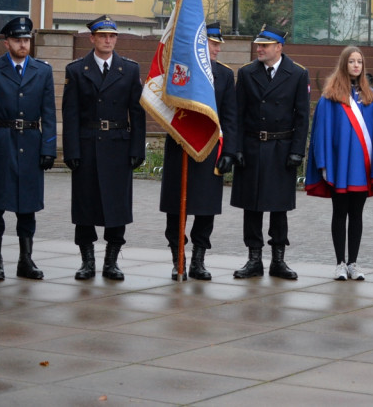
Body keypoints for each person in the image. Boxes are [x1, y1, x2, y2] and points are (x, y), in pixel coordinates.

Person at [63, 16, 146, 281]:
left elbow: (137, 112)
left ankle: (111, 262)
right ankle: (87, 262)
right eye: (102, 36)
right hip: (87, 145)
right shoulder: (76, 70)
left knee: (116, 205)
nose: (108, 41)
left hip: (118, 146)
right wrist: (71, 150)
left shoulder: (129, 70)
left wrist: (137, 148)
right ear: (92, 39)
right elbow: (71, 114)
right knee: (85, 205)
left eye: (112, 36)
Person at [0, 16, 56, 281]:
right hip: (1, 142)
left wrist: (48, 148)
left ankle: (25, 260)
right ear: (6, 42)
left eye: (26, 40)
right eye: (18, 40)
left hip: (31, 143)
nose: (23, 45)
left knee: (27, 206)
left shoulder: (42, 70)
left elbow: (49, 114)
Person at [305, 46, 373, 281]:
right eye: (352, 61)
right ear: (344, 64)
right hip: (339, 167)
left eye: (359, 62)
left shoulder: (371, 97)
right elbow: (321, 133)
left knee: (357, 214)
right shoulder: (330, 97)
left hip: (362, 168)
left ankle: (353, 263)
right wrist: (323, 165)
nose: (356, 65)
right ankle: (339, 263)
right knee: (339, 212)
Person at [158, 22, 238, 281]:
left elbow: (230, 116)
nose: (217, 49)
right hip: (180, 147)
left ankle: (198, 260)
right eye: (213, 44)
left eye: (218, 45)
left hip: (209, 148)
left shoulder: (224, 75)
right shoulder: (179, 69)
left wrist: (230, 151)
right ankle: (177, 258)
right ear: (200, 45)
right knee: (175, 206)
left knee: (205, 208)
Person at [231, 26, 310, 280]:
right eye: (258, 44)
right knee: (251, 207)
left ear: (279, 47)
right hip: (253, 146)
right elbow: (237, 115)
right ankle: (254, 259)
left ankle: (278, 260)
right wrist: (237, 148)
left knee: (279, 208)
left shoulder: (297, 74)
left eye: (265, 45)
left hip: (281, 148)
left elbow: (302, 117)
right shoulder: (246, 73)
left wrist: (298, 150)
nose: (259, 49)